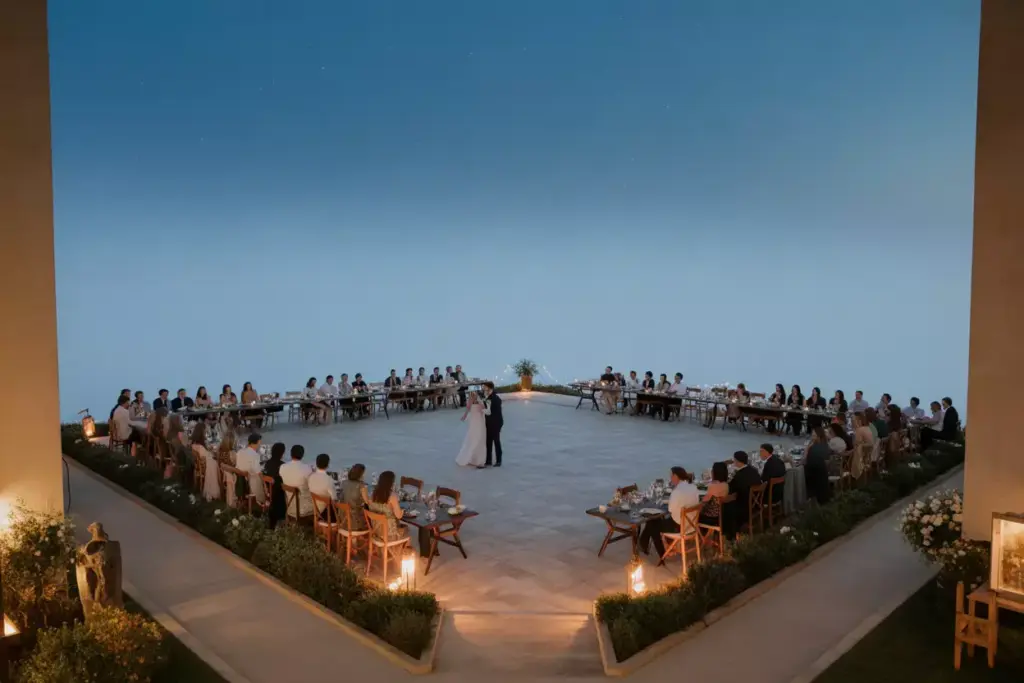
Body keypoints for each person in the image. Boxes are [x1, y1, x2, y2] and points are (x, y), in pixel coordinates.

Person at [639, 466, 699, 558]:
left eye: (671, 476)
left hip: (679, 527)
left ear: (676, 476)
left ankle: (662, 554)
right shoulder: (693, 487)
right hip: (692, 525)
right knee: (655, 521)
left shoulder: (677, 491)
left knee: (651, 523)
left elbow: (670, 510)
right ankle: (643, 544)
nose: (670, 479)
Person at [367, 470, 408, 541]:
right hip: (389, 534)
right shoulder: (392, 496)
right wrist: (403, 510)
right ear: (391, 483)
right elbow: (399, 516)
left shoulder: (373, 494)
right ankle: (398, 550)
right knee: (407, 529)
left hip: (376, 531)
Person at [728, 451, 762, 530]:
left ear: (738, 461)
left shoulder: (739, 475)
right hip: (756, 503)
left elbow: (730, 489)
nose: (734, 462)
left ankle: (731, 529)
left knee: (727, 504)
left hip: (745, 507)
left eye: (734, 460)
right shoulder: (753, 470)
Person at [280, 445, 313, 518]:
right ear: (302, 455)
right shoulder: (307, 468)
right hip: (303, 507)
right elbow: (311, 486)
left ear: (291, 454)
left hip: (289, 506)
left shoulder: (283, 467)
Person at [456, 391, 487, 468]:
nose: (474, 397)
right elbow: (468, 409)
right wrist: (464, 416)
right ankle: (472, 458)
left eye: (474, 395)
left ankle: (477, 458)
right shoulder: (470, 401)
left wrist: (480, 403)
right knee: (474, 436)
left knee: (479, 436)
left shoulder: (479, 401)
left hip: (479, 420)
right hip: (474, 420)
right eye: (472, 396)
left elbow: (483, 409)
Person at [191, 423, 221, 501]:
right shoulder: (200, 446)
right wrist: (213, 452)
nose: (205, 432)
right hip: (205, 466)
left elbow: (204, 455)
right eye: (204, 431)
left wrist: (209, 449)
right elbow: (207, 457)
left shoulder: (194, 444)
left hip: (199, 465)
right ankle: (219, 487)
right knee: (218, 463)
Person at [235, 433, 266, 505]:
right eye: (259, 443)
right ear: (256, 443)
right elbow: (258, 472)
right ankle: (260, 503)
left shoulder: (240, 452)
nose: (259, 445)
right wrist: (264, 484)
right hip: (250, 481)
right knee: (261, 479)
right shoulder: (255, 455)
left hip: (240, 478)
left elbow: (238, 466)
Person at [804, 427, 832, 505]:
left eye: (813, 436)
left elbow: (805, 461)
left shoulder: (813, 447)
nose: (812, 438)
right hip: (823, 474)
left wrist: (807, 448)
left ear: (818, 436)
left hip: (812, 475)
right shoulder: (825, 445)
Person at [698, 462, 731, 528]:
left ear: (714, 472)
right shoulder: (726, 485)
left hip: (712, 516)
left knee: (694, 514)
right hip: (722, 514)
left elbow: (704, 502)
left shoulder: (712, 486)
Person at [262, 443, 287, 529]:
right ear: (282, 453)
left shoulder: (267, 463)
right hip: (278, 496)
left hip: (268, 493)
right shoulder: (283, 465)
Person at [338, 463, 369, 531]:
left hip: (343, 519)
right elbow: (367, 502)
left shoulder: (344, 483)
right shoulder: (361, 486)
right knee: (371, 515)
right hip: (355, 521)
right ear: (361, 474)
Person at [308, 453, 337, 521]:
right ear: (328, 464)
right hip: (326, 512)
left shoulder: (311, 477)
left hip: (315, 509)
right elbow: (334, 499)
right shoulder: (328, 479)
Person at [482, 381, 504, 467]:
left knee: (496, 441)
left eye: (484, 387)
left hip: (496, 422)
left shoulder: (494, 398)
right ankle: (488, 460)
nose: (483, 388)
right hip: (489, 422)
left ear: (489, 388)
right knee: (488, 442)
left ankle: (498, 460)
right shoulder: (488, 397)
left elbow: (489, 412)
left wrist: (481, 409)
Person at [852, 412, 874, 478]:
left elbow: (856, 445)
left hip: (861, 458)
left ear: (859, 421)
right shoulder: (867, 428)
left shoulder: (859, 430)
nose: (852, 422)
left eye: (853, 420)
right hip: (868, 456)